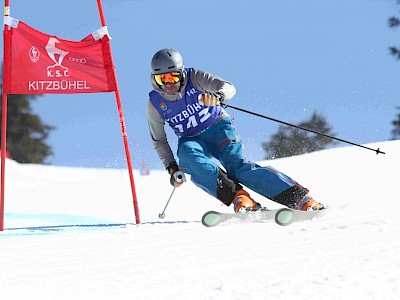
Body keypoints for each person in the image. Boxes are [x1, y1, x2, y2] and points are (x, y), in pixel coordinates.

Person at [146, 48, 324, 213]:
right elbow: (159, 140)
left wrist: (217, 96)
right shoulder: (155, 104)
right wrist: (171, 166)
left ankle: (299, 198)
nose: (169, 84)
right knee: (188, 156)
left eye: (173, 77)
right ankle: (240, 198)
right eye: (163, 79)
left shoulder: (195, 77)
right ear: (155, 79)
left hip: (218, 127)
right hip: (191, 139)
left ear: (181, 73)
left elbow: (228, 86)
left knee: (237, 168)